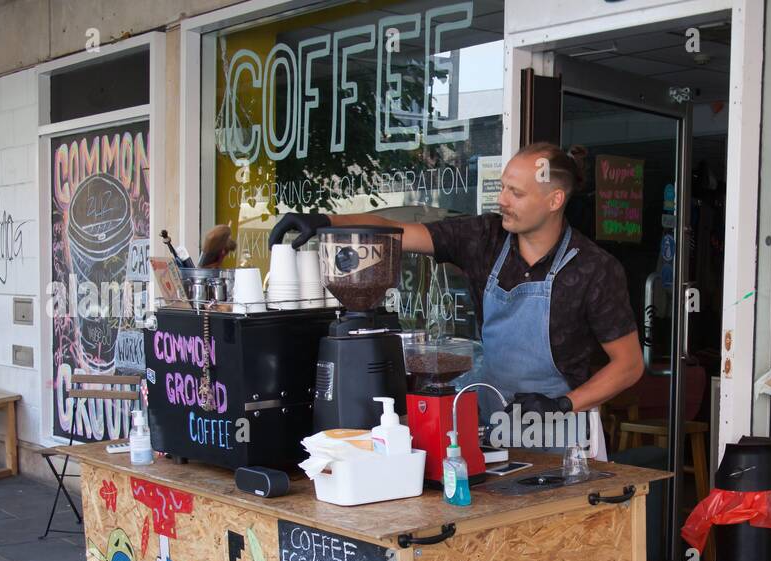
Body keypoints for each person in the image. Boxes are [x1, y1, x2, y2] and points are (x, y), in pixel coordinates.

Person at [269, 142, 645, 459]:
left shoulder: (594, 268)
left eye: (516, 193)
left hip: (562, 434)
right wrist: (325, 221)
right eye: (502, 188)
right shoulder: (483, 238)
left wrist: (563, 404)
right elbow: (398, 232)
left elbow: (628, 366)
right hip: (492, 425)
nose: (502, 201)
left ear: (554, 200)